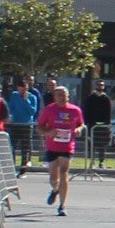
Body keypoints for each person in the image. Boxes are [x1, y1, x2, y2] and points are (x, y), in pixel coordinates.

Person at [38, 79, 85, 212]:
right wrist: (49, 132)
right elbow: (39, 127)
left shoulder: (75, 110)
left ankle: (62, 206)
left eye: (63, 95)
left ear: (68, 96)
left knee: (64, 173)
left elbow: (81, 124)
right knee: (54, 177)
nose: (61, 98)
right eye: (58, 95)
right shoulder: (49, 109)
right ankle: (55, 189)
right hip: (52, 146)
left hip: (67, 146)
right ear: (54, 97)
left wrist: (78, 129)